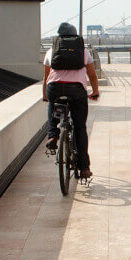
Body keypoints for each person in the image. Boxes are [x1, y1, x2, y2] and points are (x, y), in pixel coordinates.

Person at [42, 22, 99, 179]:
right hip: (76, 91)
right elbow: (93, 75)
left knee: (53, 105)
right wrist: (95, 91)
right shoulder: (83, 51)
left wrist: (46, 96)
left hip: (54, 88)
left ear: (59, 36)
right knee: (80, 127)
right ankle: (84, 168)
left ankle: (53, 135)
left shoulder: (51, 51)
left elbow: (46, 78)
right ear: (75, 36)